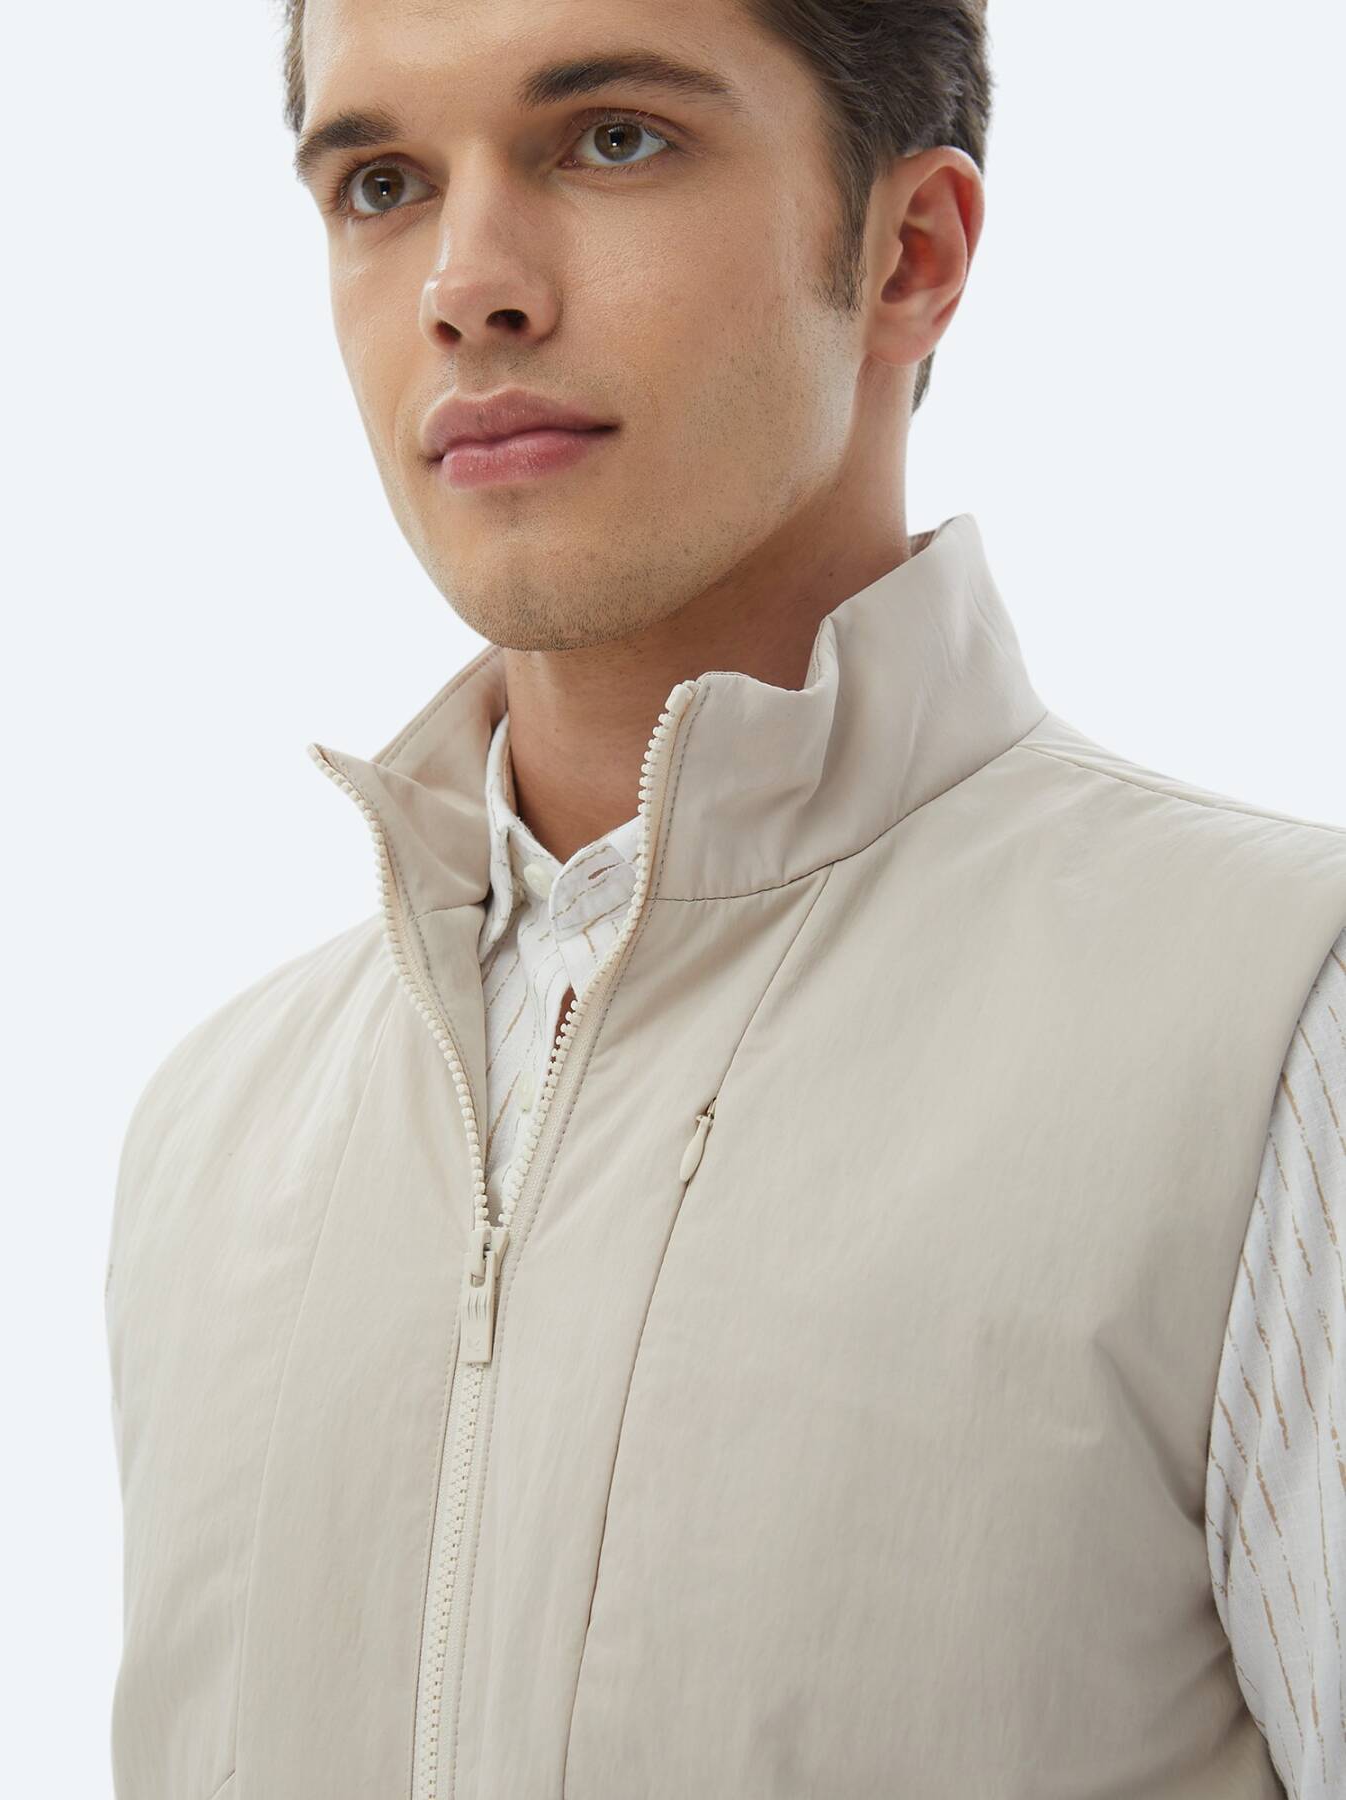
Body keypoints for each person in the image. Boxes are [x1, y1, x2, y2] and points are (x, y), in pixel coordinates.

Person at [104, 1, 1346, 1795]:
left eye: (612, 137)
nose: (465, 286)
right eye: (380, 182)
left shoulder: (1272, 1020)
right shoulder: (210, 1141)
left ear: (908, 253)